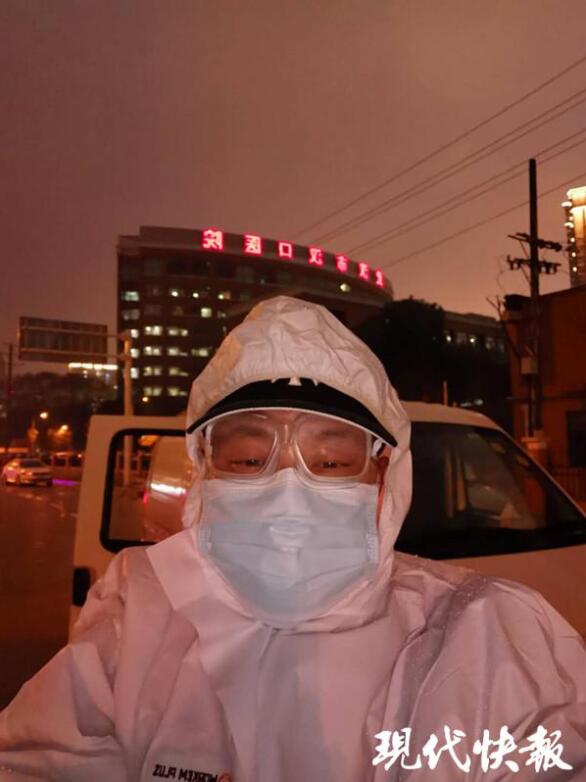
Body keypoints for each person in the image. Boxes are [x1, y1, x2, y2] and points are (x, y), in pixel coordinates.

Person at [0, 295, 584, 782]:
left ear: (384, 479)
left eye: (330, 462)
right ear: (203, 474)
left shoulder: (487, 636)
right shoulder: (137, 622)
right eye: (248, 459)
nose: (287, 491)